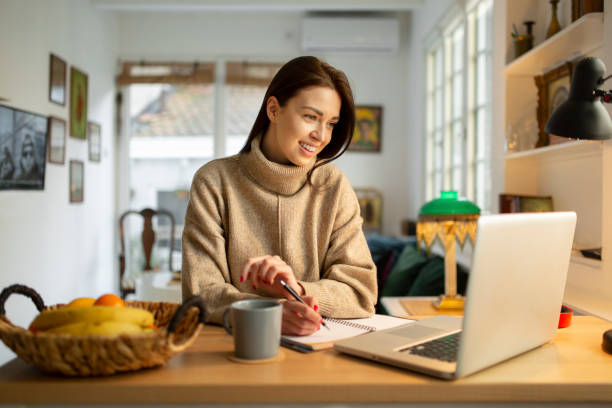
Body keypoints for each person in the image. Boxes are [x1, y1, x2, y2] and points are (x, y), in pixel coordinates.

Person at [182, 56, 377, 336]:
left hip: (319, 352)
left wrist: (297, 290)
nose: (321, 136)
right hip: (231, 346)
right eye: (311, 116)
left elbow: (361, 293)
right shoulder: (214, 181)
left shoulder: (334, 186)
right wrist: (266, 314)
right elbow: (200, 293)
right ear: (273, 110)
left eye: (331, 123)